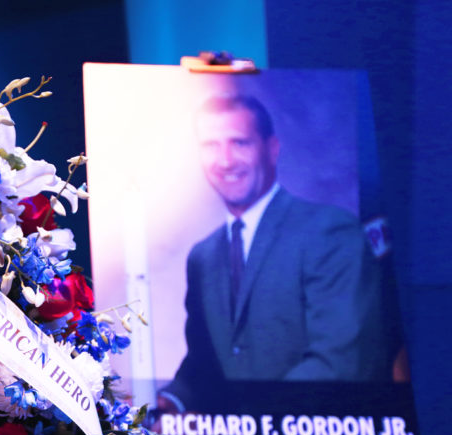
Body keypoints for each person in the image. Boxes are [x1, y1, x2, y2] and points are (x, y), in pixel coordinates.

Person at [160, 93, 387, 414]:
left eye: (239, 143)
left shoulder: (331, 233)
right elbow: (205, 362)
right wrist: (170, 401)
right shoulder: (203, 256)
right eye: (211, 145)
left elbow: (339, 363)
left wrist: (242, 432)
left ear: (272, 149)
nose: (225, 160)